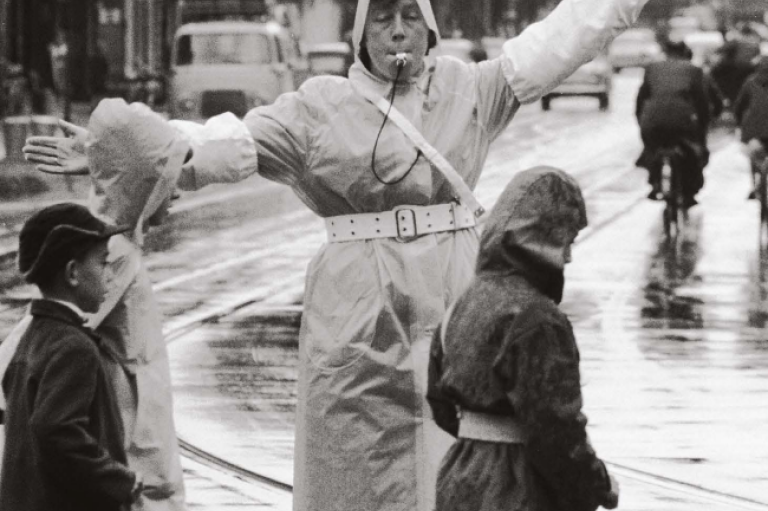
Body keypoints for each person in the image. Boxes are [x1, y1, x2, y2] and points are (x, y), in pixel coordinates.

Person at [23, 0, 650, 509]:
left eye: (409, 15)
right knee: (353, 456)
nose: (397, 29)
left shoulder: (470, 87)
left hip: (451, 297)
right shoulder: (318, 107)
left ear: (429, 29)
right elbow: (225, 142)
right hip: (354, 310)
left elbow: (564, 38)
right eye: (381, 17)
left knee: (453, 455)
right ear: (361, 33)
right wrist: (120, 148)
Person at [426, 166, 619, 511]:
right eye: (566, 242)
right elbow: (555, 428)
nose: (570, 256)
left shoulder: (464, 304)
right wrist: (596, 486)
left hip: (460, 478)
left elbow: (440, 406)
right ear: (541, 240)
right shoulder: (537, 319)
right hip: (519, 487)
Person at [0, 203, 140, 511]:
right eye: (103, 264)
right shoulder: (74, 347)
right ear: (73, 273)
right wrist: (119, 481)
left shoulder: (31, 338)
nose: (110, 277)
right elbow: (56, 430)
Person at [636, 40, 714, 208]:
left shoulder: (652, 68)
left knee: (652, 149)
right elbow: (702, 102)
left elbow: (641, 99)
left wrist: (641, 121)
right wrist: (703, 125)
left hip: (652, 120)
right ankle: (689, 191)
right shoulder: (694, 70)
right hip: (682, 122)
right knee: (692, 152)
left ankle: (655, 182)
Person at [734, 57, 768, 200]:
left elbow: (739, 106)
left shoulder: (750, 82)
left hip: (755, 131)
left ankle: (755, 185)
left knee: (755, 156)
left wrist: (738, 123)